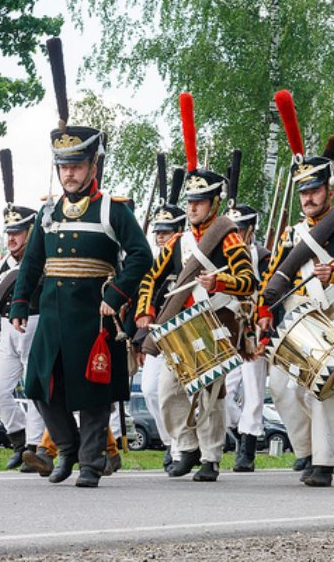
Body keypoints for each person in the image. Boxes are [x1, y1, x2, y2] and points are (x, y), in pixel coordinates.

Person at [9, 38, 152, 488]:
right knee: (39, 386)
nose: (68, 173)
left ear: (93, 164)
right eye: (62, 166)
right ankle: (66, 450)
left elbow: (142, 256)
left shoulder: (114, 208)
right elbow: (32, 262)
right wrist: (18, 303)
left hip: (95, 313)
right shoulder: (48, 211)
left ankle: (90, 463)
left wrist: (116, 294)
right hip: (51, 311)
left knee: (93, 394)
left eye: (76, 165)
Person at [257, 90, 334, 488]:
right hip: (295, 318)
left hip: (332, 316)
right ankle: (305, 451)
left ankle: (323, 464)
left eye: (315, 190)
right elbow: (276, 276)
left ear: (329, 190)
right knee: (282, 389)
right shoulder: (292, 233)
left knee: (324, 390)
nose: (308, 197)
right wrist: (262, 312)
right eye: (303, 192)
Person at [136, 93, 257, 482]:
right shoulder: (176, 243)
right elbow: (150, 280)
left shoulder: (229, 238)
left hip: (217, 319)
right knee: (169, 391)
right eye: (190, 201)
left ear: (214, 203)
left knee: (210, 394)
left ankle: (210, 457)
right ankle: (184, 446)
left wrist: (219, 280)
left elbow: (248, 281)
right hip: (181, 323)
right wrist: (145, 312)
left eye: (200, 202)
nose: (192, 208)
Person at [0, 149, 45, 473]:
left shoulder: (41, 262)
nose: (11, 238)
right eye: (8, 232)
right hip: (6, 331)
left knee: (34, 389)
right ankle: (18, 439)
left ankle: (34, 447)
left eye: (17, 232)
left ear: (31, 231)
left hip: (35, 325)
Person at [135, 162, 186, 471]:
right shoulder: (155, 263)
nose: (161, 238)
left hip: (184, 329)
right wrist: (141, 335)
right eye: (158, 233)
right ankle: (171, 441)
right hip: (158, 332)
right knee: (151, 389)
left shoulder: (186, 253)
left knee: (179, 391)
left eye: (166, 233)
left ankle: (183, 446)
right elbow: (146, 295)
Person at [223, 152, 271, 473]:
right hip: (226, 327)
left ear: (251, 230)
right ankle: (240, 429)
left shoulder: (264, 256)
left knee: (254, 388)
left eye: (241, 230)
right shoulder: (221, 250)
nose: (236, 235)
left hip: (253, 328)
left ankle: (248, 445)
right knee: (223, 389)